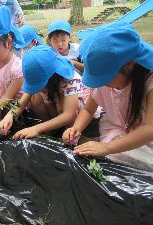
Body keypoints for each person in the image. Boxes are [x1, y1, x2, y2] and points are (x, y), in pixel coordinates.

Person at [62, 22, 153, 171]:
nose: (101, 84)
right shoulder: (106, 80)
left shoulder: (149, 82)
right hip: (118, 132)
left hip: (145, 141)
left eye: (105, 78)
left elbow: (150, 130)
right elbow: (88, 110)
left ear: (129, 64)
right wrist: (76, 128)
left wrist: (107, 148)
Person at [0, 45, 82, 139]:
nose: (38, 88)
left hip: (78, 111)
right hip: (54, 99)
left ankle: (69, 135)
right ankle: (51, 129)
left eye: (40, 84)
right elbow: (23, 101)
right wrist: (10, 116)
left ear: (51, 77)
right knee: (35, 98)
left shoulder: (70, 80)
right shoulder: (47, 79)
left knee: (63, 108)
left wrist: (36, 129)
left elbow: (69, 114)